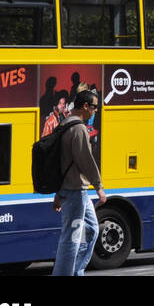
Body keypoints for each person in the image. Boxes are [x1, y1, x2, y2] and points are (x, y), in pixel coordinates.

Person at [52, 90, 106, 276]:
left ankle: (76, 271)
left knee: (91, 230)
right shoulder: (78, 128)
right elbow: (86, 160)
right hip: (76, 191)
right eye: (94, 107)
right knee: (72, 239)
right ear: (85, 106)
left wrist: (58, 194)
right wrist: (99, 186)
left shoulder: (63, 124)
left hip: (71, 190)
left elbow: (60, 164)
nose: (95, 111)